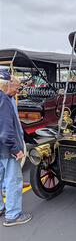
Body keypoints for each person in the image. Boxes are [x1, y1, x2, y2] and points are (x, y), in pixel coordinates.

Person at [0, 70, 32, 226]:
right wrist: (16, 149)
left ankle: (1, 208)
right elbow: (6, 131)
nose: (17, 91)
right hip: (7, 149)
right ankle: (12, 215)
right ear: (7, 84)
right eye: (16, 88)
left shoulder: (5, 97)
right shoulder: (4, 99)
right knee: (13, 180)